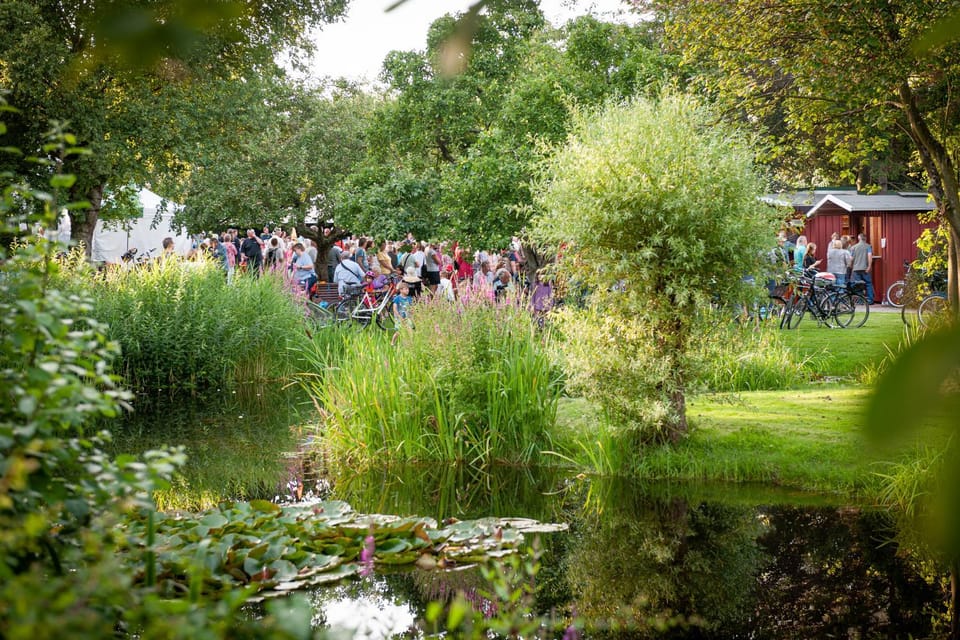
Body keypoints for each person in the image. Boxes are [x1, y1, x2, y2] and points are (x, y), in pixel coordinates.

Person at [850, 233, 874, 303]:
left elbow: (851, 259)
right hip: (865, 268)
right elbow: (870, 257)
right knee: (868, 284)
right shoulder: (868, 246)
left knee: (858, 284)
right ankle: (870, 300)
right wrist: (869, 266)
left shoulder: (853, 247)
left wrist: (851, 266)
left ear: (859, 238)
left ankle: (860, 301)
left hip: (856, 269)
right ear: (865, 238)